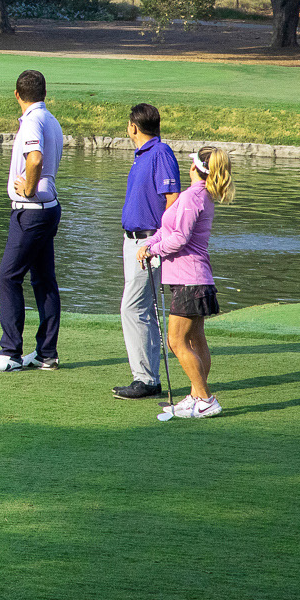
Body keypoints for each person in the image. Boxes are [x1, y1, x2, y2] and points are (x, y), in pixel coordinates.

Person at [137, 147, 233, 419]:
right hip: (196, 279)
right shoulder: (199, 194)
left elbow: (179, 238)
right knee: (195, 339)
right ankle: (195, 396)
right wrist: (150, 243)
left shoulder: (192, 196)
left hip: (189, 280)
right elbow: (167, 230)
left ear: (195, 168)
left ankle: (205, 398)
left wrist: (153, 250)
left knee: (176, 341)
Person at [0, 69, 64, 372]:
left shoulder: (31, 121)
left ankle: (10, 352)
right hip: (48, 208)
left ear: (17, 94)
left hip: (32, 211)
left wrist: (28, 189)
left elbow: (35, 159)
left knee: (8, 276)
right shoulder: (51, 120)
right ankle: (46, 354)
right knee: (43, 279)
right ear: (45, 93)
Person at [113, 103, 180, 401]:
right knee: (143, 309)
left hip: (148, 242)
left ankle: (145, 379)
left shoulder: (160, 152)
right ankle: (149, 378)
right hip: (134, 242)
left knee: (132, 308)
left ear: (133, 127)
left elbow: (173, 199)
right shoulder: (142, 154)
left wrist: (156, 242)